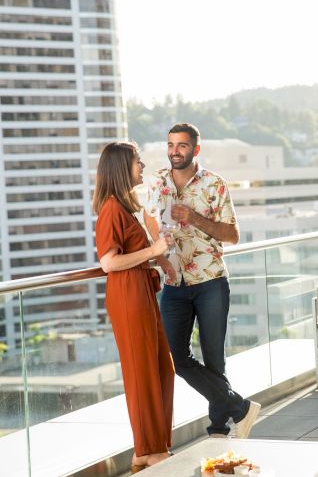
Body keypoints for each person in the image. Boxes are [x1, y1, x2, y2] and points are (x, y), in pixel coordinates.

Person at [144, 122, 260, 438]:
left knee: (213, 359)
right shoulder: (156, 181)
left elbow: (232, 235)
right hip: (174, 283)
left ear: (196, 149)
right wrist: (160, 257)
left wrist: (193, 218)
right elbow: (149, 219)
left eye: (181, 145)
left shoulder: (215, 184)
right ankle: (241, 409)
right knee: (178, 359)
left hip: (210, 281)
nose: (174, 152)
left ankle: (219, 430)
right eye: (170, 145)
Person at [93, 141, 175, 473]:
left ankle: (153, 447)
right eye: (137, 161)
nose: (142, 166)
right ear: (120, 168)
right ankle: (148, 449)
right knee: (142, 372)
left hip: (141, 290)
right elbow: (108, 263)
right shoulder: (111, 209)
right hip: (128, 294)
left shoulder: (126, 207)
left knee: (161, 369)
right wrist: (153, 250)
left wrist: (160, 260)